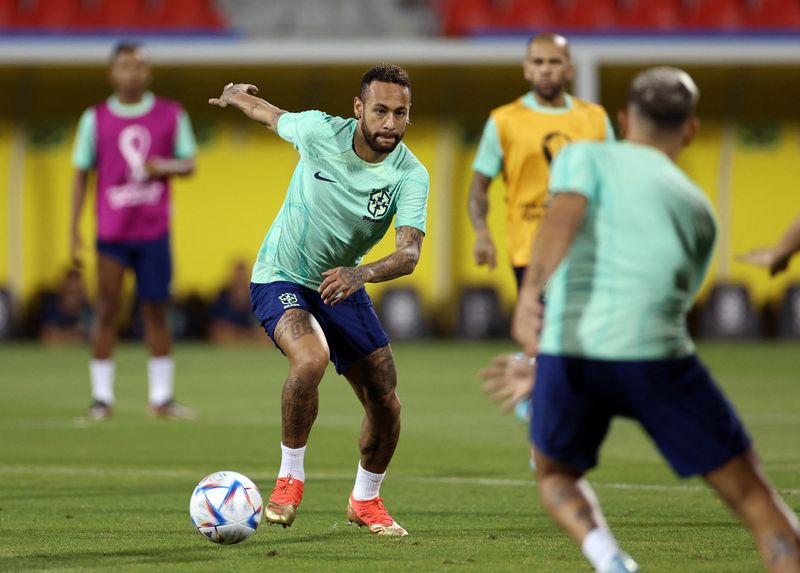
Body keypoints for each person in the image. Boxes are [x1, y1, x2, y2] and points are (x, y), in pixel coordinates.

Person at [512, 67, 800, 573]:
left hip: (570, 353)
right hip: (657, 358)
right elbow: (674, 297)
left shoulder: (583, 154)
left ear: (624, 121)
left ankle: (609, 558)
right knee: (759, 505)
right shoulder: (698, 210)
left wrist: (530, 294)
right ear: (690, 130)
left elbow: (564, 214)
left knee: (555, 474)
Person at [208, 63, 429, 537]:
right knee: (310, 360)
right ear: (358, 109)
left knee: (386, 401)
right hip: (281, 274)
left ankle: (365, 500)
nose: (390, 123)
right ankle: (289, 478)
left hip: (341, 282)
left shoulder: (410, 173)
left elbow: (409, 254)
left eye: (401, 113)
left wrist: (359, 273)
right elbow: (271, 115)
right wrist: (234, 94)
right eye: (380, 111)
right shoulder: (318, 131)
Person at [472, 33, 614, 420]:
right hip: (531, 252)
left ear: (569, 68)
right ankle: (546, 431)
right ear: (525, 68)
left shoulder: (594, 119)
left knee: (577, 344)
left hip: (587, 248)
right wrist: (482, 232)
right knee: (554, 342)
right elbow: (480, 186)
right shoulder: (505, 120)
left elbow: (613, 182)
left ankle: (537, 389)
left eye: (553, 62)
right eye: (537, 62)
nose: (545, 69)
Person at [70, 41, 197, 421]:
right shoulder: (95, 118)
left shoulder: (170, 114)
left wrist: (166, 167)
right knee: (106, 309)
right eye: (125, 65)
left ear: (148, 72)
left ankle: (161, 398)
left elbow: (189, 164)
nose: (132, 72)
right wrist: (73, 229)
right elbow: (81, 174)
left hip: (153, 229)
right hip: (111, 231)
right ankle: (101, 399)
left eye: (139, 65)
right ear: (112, 72)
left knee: (156, 309)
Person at [209, 260, 264, 344]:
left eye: (243, 276)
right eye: (238, 276)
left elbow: (264, 333)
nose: (240, 280)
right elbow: (216, 330)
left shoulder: (258, 299)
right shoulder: (222, 299)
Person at [38, 268, 92, 345]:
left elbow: (87, 337)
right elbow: (46, 336)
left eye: (77, 292)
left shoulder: (87, 310)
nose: (72, 298)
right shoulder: (52, 308)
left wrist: (61, 335)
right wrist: (72, 334)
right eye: (69, 292)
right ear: (61, 290)